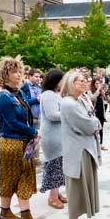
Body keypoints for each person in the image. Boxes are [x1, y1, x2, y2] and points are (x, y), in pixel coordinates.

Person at [0, 56, 45, 219]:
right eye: (14, 72)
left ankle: (18, 214)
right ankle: (9, 213)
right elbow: (12, 123)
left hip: (23, 142)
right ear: (4, 75)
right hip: (11, 143)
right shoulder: (3, 97)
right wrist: (33, 131)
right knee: (9, 179)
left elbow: (27, 112)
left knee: (23, 177)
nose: (18, 75)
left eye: (19, 72)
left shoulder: (18, 93)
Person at [60, 70, 102, 219]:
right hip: (77, 151)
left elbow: (91, 119)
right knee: (76, 187)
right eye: (81, 80)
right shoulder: (69, 103)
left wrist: (94, 121)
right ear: (71, 83)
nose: (86, 83)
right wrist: (96, 122)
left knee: (83, 184)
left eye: (86, 80)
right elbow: (89, 125)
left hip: (85, 148)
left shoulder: (80, 100)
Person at [39, 68, 66, 209]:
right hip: (51, 136)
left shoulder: (54, 94)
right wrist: (68, 113)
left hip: (57, 135)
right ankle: (52, 197)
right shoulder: (48, 95)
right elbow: (52, 115)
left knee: (59, 164)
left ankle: (57, 192)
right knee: (55, 165)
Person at [89, 79, 109, 151]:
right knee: (95, 129)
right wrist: (98, 90)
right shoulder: (90, 91)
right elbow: (93, 98)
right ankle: (95, 144)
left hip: (101, 112)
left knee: (101, 128)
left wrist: (103, 93)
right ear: (93, 84)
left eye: (99, 83)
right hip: (95, 112)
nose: (98, 85)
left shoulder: (100, 91)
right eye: (96, 83)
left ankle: (101, 144)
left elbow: (106, 99)